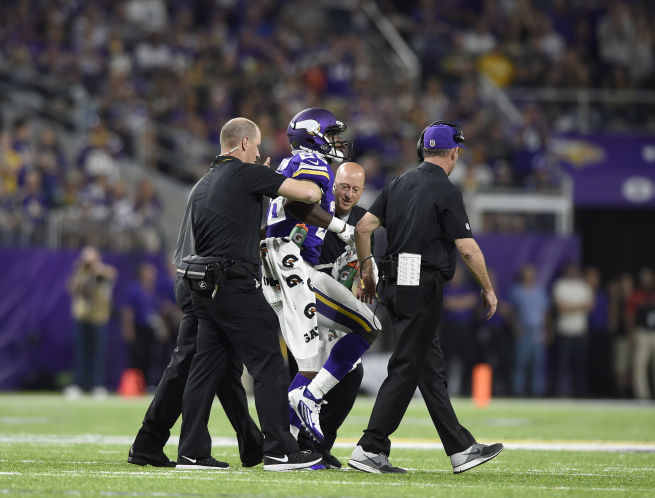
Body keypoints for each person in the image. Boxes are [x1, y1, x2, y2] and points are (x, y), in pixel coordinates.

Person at [348, 122, 503, 474]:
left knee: (428, 368)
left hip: (395, 280)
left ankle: (461, 449)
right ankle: (370, 447)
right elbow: (466, 247)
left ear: (422, 149)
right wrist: (488, 288)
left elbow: (363, 228)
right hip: (422, 284)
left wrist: (366, 268)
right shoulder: (445, 190)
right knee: (406, 366)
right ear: (454, 153)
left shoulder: (399, 182)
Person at [175, 117, 323, 471]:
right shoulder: (246, 173)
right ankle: (279, 450)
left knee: (204, 369)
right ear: (243, 144)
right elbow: (310, 194)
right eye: (256, 146)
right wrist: (279, 179)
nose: (259, 154)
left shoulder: (203, 182)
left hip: (203, 287)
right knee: (269, 362)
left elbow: (234, 224)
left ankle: (191, 452)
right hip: (234, 283)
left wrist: (262, 184)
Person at [263, 108, 381, 445]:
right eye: (330, 135)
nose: (335, 142)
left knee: (310, 366)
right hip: (295, 270)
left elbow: (285, 211)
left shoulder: (293, 166)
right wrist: (337, 225)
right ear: (312, 135)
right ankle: (309, 400)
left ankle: (288, 445)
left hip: (285, 269)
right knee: (368, 326)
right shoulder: (312, 164)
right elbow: (301, 204)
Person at [128, 206, 265, 468]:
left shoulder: (213, 187)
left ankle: (251, 442)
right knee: (191, 365)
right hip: (203, 279)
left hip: (198, 276)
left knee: (222, 365)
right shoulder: (232, 187)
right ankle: (157, 442)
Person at [291, 161, 371, 469]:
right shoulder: (315, 210)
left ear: (362, 191)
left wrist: (366, 276)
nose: (348, 194)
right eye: (343, 187)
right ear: (332, 186)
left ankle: (317, 445)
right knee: (309, 372)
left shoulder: (364, 221)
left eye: (355, 189)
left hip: (337, 308)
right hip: (305, 304)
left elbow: (361, 265)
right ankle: (296, 446)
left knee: (349, 372)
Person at [65, 246, 116, 397]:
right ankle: (79, 385)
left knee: (97, 353)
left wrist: (96, 268)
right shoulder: (80, 273)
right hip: (82, 317)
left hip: (99, 318)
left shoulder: (104, 271)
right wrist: (82, 271)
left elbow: (112, 275)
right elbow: (71, 288)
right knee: (81, 352)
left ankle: (97, 385)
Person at [552, 262, 593, 397]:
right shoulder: (560, 285)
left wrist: (570, 307)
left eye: (574, 270)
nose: (572, 272)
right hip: (565, 332)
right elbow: (560, 308)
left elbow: (590, 306)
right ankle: (559, 393)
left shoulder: (583, 286)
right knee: (562, 367)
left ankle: (580, 394)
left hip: (580, 332)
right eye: (570, 270)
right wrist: (580, 306)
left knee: (580, 367)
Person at [509, 264, 550, 397]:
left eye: (531, 273)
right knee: (520, 363)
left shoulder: (540, 291)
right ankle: (518, 391)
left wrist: (547, 330)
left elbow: (545, 313)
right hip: (523, 330)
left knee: (538, 363)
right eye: (526, 273)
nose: (529, 275)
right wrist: (515, 326)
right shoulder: (517, 291)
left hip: (537, 330)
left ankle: (537, 392)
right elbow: (511, 312)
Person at [627, 267, 655, 400]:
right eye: (645, 280)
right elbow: (630, 315)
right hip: (642, 333)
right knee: (640, 364)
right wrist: (631, 334)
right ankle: (642, 394)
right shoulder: (637, 295)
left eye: (649, 279)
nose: (647, 282)